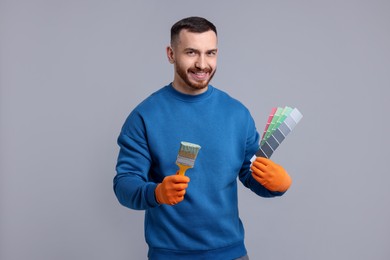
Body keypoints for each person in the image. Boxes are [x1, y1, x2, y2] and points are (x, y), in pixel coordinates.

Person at [113, 16, 292, 260]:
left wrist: (278, 185)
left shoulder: (237, 114)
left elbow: (252, 175)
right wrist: (156, 193)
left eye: (210, 53)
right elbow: (124, 184)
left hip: (232, 254)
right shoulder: (145, 116)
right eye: (191, 52)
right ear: (171, 54)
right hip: (169, 255)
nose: (202, 64)